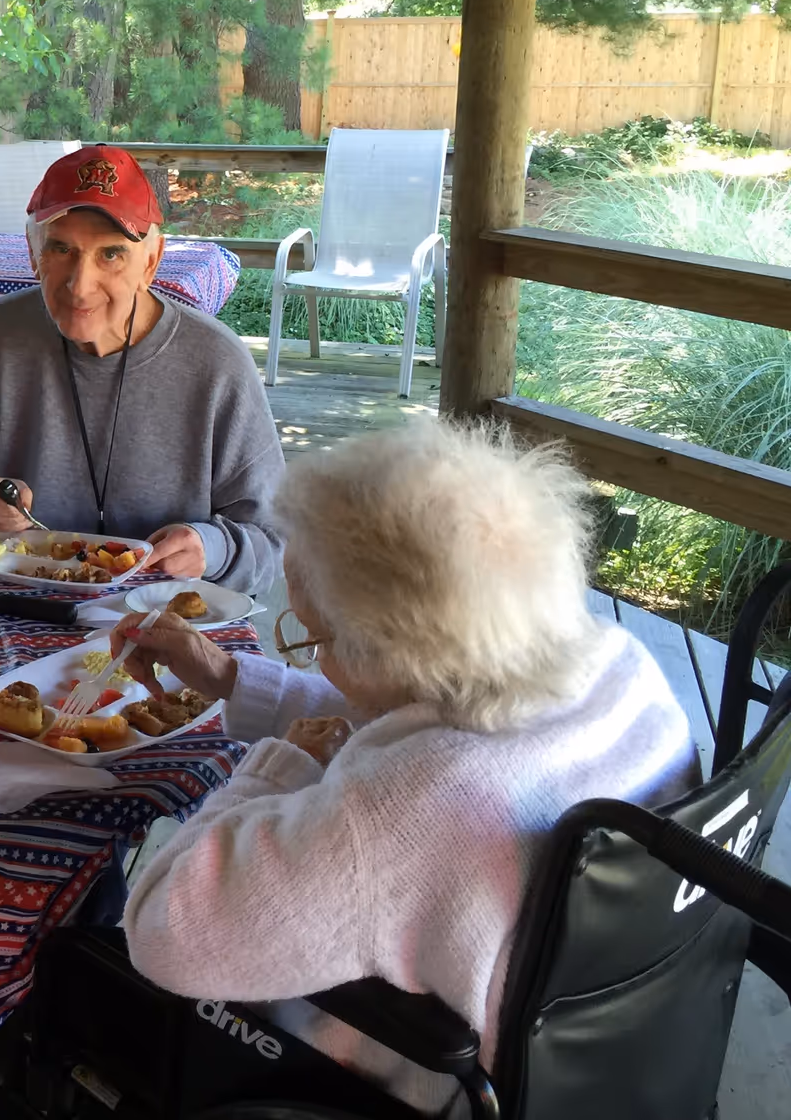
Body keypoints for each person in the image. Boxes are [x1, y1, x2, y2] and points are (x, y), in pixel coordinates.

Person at [106, 418, 697, 1114]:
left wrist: (283, 766)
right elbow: (424, 712)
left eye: (311, 637)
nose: (311, 651)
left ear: (387, 652)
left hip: (399, 1081)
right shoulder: (619, 669)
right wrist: (233, 678)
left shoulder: (399, 811)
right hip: (621, 1055)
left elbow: (165, 935)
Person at [0, 144, 285, 592]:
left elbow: (272, 545)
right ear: (33, 253)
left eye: (111, 254)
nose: (80, 285)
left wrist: (211, 547)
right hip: (14, 603)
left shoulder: (217, 364)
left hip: (157, 621)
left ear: (151, 262)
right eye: (61, 249)